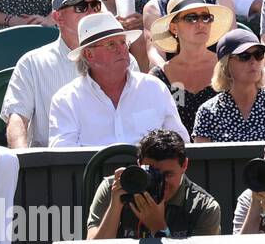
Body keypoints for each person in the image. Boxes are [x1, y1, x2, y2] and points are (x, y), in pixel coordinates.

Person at [48, 10, 188, 146]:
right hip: (93, 170)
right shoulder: (66, 100)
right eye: (111, 45)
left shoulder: (154, 88)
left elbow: (181, 144)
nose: (122, 50)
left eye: (123, 42)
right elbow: (64, 160)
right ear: (89, 54)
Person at [0, 0, 100, 149]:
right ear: (58, 18)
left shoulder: (121, 57)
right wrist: (24, 162)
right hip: (52, 166)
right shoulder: (31, 63)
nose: (91, 12)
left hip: (108, 161)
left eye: (95, 5)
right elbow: (16, 119)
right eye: (81, 7)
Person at [85, 128, 220, 240]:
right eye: (152, 174)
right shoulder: (115, 189)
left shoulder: (203, 207)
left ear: (184, 165)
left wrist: (158, 227)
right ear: (140, 164)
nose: (161, 182)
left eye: (168, 174)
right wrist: (115, 207)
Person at [147, 0, 229, 132]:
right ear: (174, 28)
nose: (201, 23)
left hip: (223, 150)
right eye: (191, 18)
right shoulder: (158, 77)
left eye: (206, 17)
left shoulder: (227, 66)